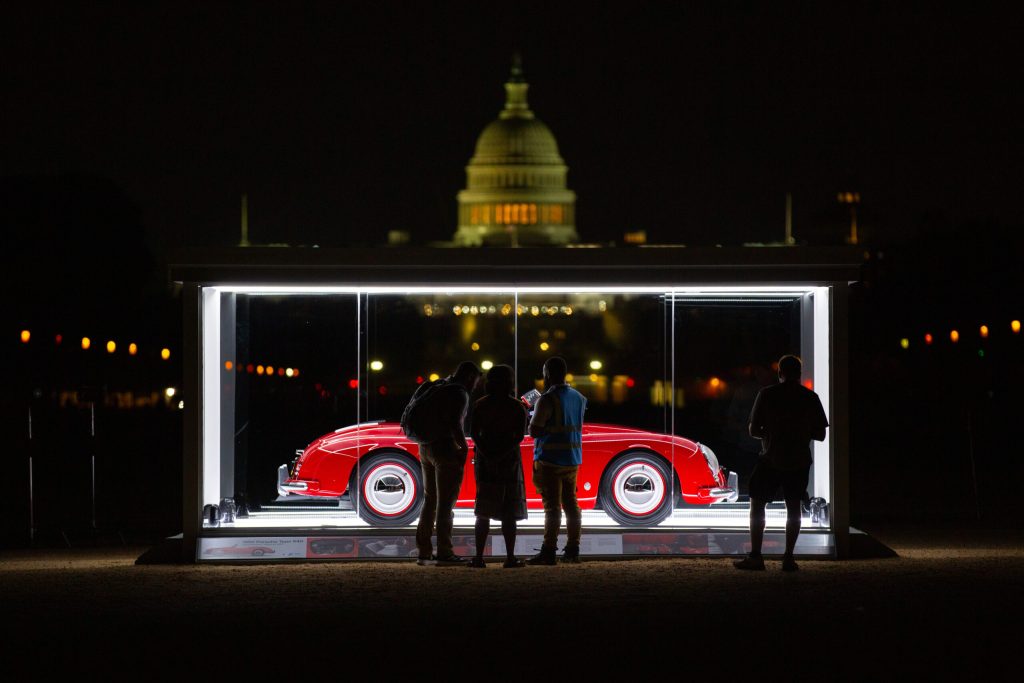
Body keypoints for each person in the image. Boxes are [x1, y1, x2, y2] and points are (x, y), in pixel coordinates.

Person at [735, 355, 828, 572]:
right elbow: (821, 434)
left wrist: (770, 434)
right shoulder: (810, 397)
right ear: (799, 374)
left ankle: (756, 555)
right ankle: (788, 557)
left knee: (757, 504)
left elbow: (753, 429)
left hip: (770, 458)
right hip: (799, 460)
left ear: (780, 373)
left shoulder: (766, 395)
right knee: (793, 507)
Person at [415, 361, 482, 566]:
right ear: (470, 377)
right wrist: (463, 447)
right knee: (446, 503)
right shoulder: (460, 393)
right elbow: (455, 424)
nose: (476, 387)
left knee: (430, 500)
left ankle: (424, 550)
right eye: (476, 382)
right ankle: (445, 551)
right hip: (445, 449)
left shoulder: (439, 386)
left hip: (425, 446)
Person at [467, 364, 529, 568]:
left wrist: (487, 453)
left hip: (486, 461)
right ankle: (510, 557)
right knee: (509, 511)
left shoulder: (480, 405)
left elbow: (475, 434)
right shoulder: (516, 407)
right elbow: (519, 436)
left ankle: (478, 557)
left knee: (483, 510)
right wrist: (503, 453)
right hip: (509, 461)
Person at [526, 357, 587, 565]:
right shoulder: (579, 398)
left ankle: (549, 550)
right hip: (572, 459)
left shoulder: (546, 399)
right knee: (572, 505)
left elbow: (534, 430)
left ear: (547, 374)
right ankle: (573, 548)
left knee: (552, 507)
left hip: (549, 461)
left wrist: (530, 416)